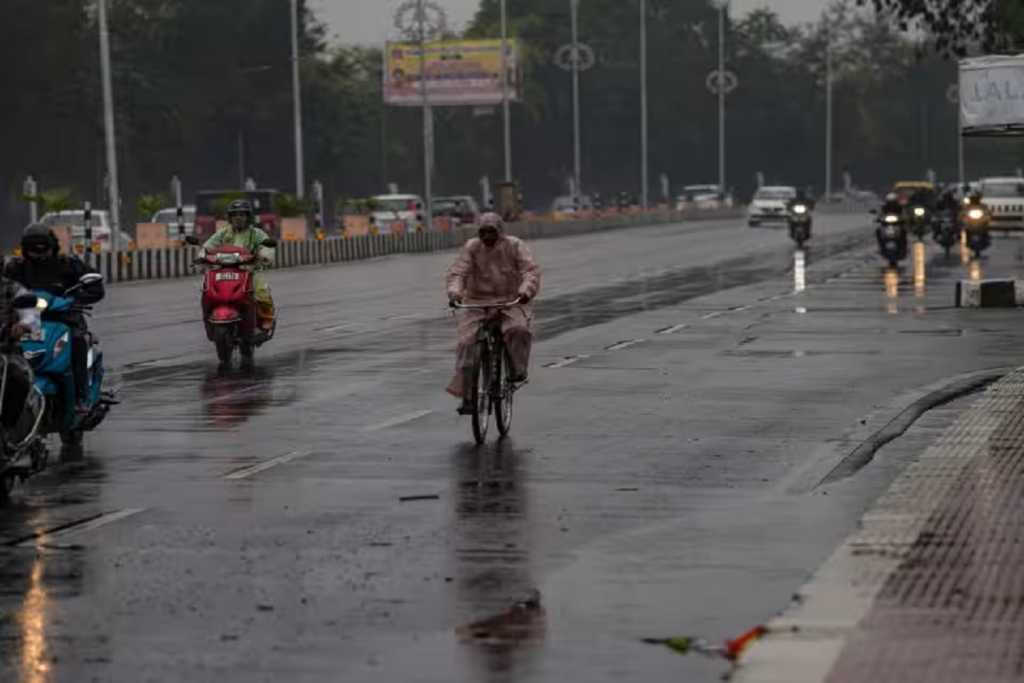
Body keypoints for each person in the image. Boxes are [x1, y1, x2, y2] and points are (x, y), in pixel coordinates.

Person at [445, 213, 541, 414]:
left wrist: (525, 291)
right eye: (483, 232)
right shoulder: (472, 248)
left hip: (511, 301)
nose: (487, 237)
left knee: (518, 331)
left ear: (501, 232)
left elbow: (530, 271)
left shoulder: (514, 246)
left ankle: (517, 370)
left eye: (492, 232)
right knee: (466, 345)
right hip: (478, 303)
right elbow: (458, 273)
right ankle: (468, 397)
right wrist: (454, 293)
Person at [5, 224, 104, 413]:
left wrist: (76, 299)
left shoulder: (69, 265)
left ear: (53, 247)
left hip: (65, 319)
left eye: (44, 248)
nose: (39, 253)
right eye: (33, 249)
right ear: (25, 249)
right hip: (26, 321)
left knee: (77, 341)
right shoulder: (15, 269)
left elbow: (96, 287)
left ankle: (81, 394)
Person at [203, 199, 276, 331]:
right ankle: (208, 315)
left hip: (249, 270)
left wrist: (265, 255)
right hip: (225, 270)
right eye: (235, 215)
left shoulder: (256, 233)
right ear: (230, 218)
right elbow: (209, 246)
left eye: (242, 215)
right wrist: (202, 255)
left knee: (261, 291)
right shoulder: (223, 233)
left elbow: (266, 246)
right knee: (207, 290)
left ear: (248, 217)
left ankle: (266, 317)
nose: (238, 218)